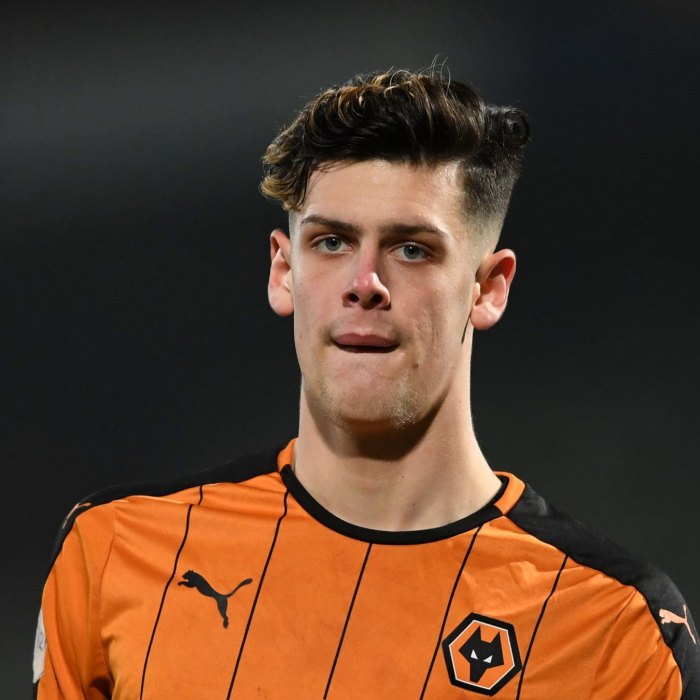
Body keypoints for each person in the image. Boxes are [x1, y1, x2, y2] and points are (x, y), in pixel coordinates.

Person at [34, 68, 699, 699]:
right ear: (283, 272)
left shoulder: (616, 628)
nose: (365, 284)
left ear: (488, 288)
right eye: (331, 242)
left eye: (412, 249)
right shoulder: (116, 552)